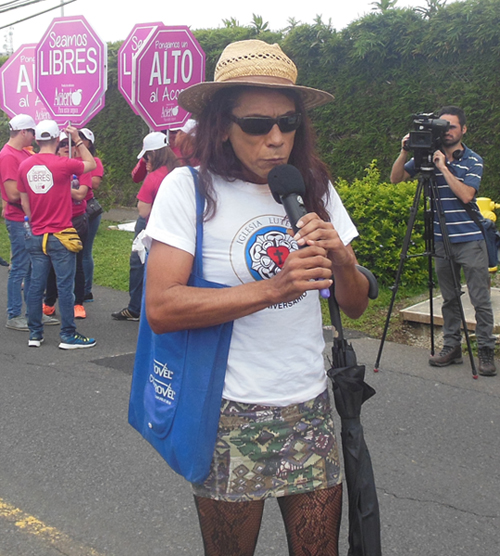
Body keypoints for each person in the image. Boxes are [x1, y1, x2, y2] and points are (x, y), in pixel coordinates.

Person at [143, 39, 370, 556]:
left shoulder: (312, 186)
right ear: (222, 125)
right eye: (256, 124)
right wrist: (274, 288)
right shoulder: (189, 190)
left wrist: (343, 259)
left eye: (288, 123)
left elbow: (355, 304)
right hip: (228, 413)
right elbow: (162, 307)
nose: (276, 139)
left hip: (309, 405)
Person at [391, 105, 497, 377]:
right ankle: (452, 347)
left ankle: (485, 350)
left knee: (480, 299)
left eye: (452, 126)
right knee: (449, 298)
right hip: (441, 240)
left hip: (470, 240)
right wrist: (405, 151)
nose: (447, 131)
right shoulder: (427, 156)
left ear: (463, 129)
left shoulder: (473, 160)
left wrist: (443, 167)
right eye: (443, 126)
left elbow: (466, 195)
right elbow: (396, 178)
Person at [17, 120, 97, 349]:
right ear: (56, 139)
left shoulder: (24, 165)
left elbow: (24, 202)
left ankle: (35, 334)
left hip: (36, 233)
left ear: (36, 139)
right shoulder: (63, 164)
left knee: (36, 286)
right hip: (61, 233)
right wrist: (78, 140)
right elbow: (91, 164)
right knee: (65, 286)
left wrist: (35, 222)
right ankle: (68, 335)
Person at [112, 132, 180, 321]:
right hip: (178, 230)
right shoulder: (180, 171)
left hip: (155, 231)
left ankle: (138, 308)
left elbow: (143, 210)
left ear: (153, 154)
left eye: (146, 157)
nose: (145, 160)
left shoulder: (154, 177)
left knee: (141, 265)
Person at [0, 114, 59, 330]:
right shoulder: (8, 156)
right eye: (33, 132)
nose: (35, 136)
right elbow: (12, 193)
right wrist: (39, 191)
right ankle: (14, 314)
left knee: (34, 267)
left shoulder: (24, 153)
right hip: (19, 218)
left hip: (31, 217)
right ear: (23, 132)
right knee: (20, 267)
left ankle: (33, 312)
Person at [42, 132, 92, 319]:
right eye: (62, 143)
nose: (65, 147)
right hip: (54, 220)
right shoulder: (50, 165)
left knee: (77, 263)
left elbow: (80, 194)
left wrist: (60, 185)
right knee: (51, 264)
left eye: (69, 143)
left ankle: (78, 303)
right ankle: (49, 302)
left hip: (76, 220)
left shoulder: (80, 167)